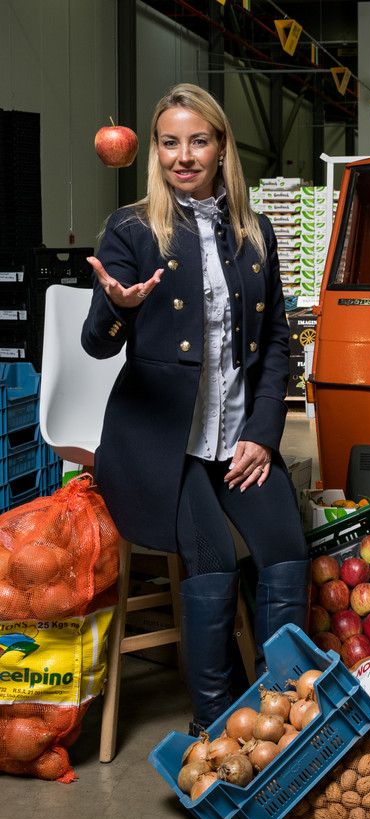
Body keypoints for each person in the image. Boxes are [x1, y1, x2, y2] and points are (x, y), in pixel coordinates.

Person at [82, 83, 309, 734]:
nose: (184, 155)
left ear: (221, 148)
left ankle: (284, 717)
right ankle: (223, 731)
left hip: (238, 438)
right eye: (170, 142)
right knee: (210, 559)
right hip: (160, 449)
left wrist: (263, 434)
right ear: (155, 151)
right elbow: (96, 346)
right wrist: (117, 310)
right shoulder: (132, 229)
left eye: (198, 141)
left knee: (287, 551)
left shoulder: (254, 229)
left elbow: (274, 345)